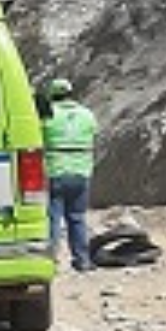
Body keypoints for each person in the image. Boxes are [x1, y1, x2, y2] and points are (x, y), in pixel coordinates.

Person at [42, 76, 98, 272]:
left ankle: (50, 261)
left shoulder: (47, 115)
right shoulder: (87, 114)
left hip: (55, 170)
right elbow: (93, 134)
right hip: (82, 171)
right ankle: (82, 260)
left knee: (53, 219)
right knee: (77, 217)